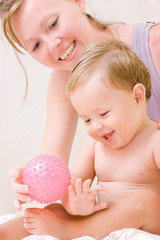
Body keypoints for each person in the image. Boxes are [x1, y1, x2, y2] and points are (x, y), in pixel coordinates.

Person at [0, 0, 160, 238]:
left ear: (78, 2)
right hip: (104, 211)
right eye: (35, 45)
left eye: (53, 23)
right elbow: (60, 172)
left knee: (145, 201)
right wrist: (34, 185)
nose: (53, 45)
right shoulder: (94, 136)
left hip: (147, 210)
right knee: (44, 214)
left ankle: (71, 231)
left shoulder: (154, 44)